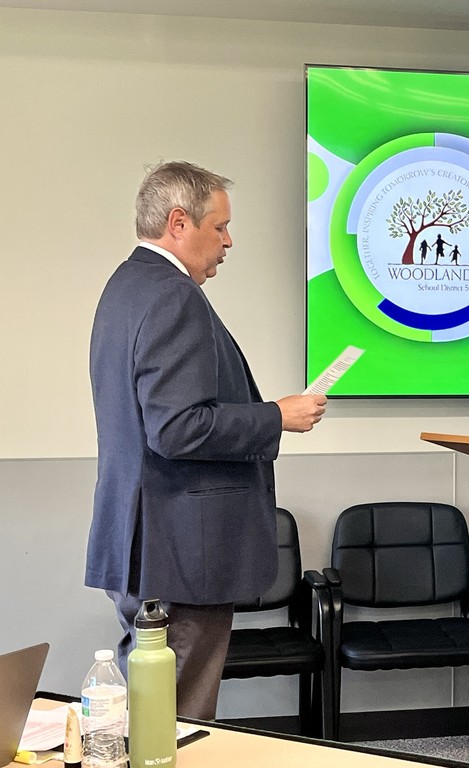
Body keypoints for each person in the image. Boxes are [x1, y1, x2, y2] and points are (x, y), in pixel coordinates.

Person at [86, 161, 327, 720]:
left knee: (147, 712)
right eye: (219, 227)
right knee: (178, 716)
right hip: (180, 552)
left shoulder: (125, 286)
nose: (228, 241)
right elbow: (177, 428)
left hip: (144, 542)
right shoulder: (173, 296)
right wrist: (276, 416)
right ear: (178, 223)